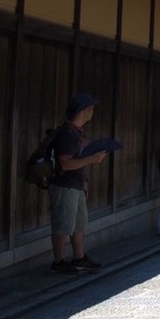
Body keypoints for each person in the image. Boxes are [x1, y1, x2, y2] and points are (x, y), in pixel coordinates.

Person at [48, 92, 108, 274]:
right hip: (64, 184)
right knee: (63, 224)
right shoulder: (67, 134)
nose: (92, 111)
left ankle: (79, 257)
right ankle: (58, 261)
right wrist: (92, 159)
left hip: (76, 183)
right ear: (82, 110)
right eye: (90, 108)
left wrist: (84, 181)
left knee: (79, 223)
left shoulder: (77, 132)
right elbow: (65, 163)